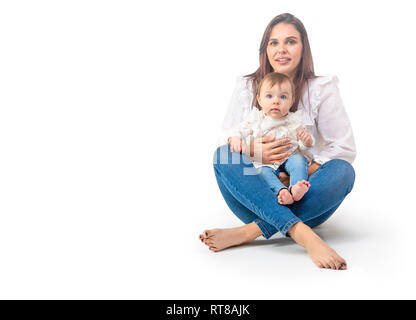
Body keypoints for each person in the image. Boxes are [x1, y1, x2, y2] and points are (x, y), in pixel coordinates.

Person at [199, 13, 356, 270]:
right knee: (221, 155)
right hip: (255, 196)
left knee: (344, 171)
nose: (281, 49)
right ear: (265, 49)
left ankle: (248, 232)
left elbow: (343, 148)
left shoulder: (322, 88)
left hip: (306, 198)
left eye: (291, 41)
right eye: (274, 42)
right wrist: (252, 151)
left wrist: (304, 170)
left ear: (303, 47)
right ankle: (303, 235)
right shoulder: (248, 86)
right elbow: (226, 136)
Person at [227, 72, 314, 205]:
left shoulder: (294, 121)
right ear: (260, 100)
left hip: (290, 157)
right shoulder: (256, 119)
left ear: (291, 101)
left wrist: (306, 142)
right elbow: (238, 129)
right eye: (269, 96)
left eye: (283, 97)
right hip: (265, 162)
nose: (276, 101)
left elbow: (302, 146)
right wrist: (235, 138)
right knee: (261, 173)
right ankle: (281, 191)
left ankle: (296, 187)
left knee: (299, 160)